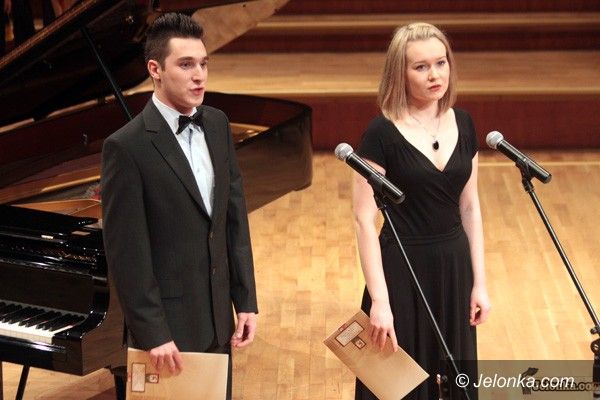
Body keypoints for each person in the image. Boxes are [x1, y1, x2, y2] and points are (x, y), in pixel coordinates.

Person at [101, 13, 258, 398]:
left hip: (218, 321)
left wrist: (245, 300)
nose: (199, 76)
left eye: (203, 64)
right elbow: (127, 254)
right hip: (167, 332)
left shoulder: (218, 124)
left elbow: (233, 219)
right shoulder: (126, 147)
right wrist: (153, 333)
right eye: (186, 65)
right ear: (155, 69)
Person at [352, 22, 491, 400]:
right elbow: (364, 220)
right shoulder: (380, 134)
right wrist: (380, 301)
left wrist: (479, 282)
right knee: (401, 385)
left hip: (454, 268)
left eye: (441, 63)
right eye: (421, 67)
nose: (435, 74)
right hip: (402, 270)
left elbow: (470, 207)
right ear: (400, 73)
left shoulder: (464, 123)